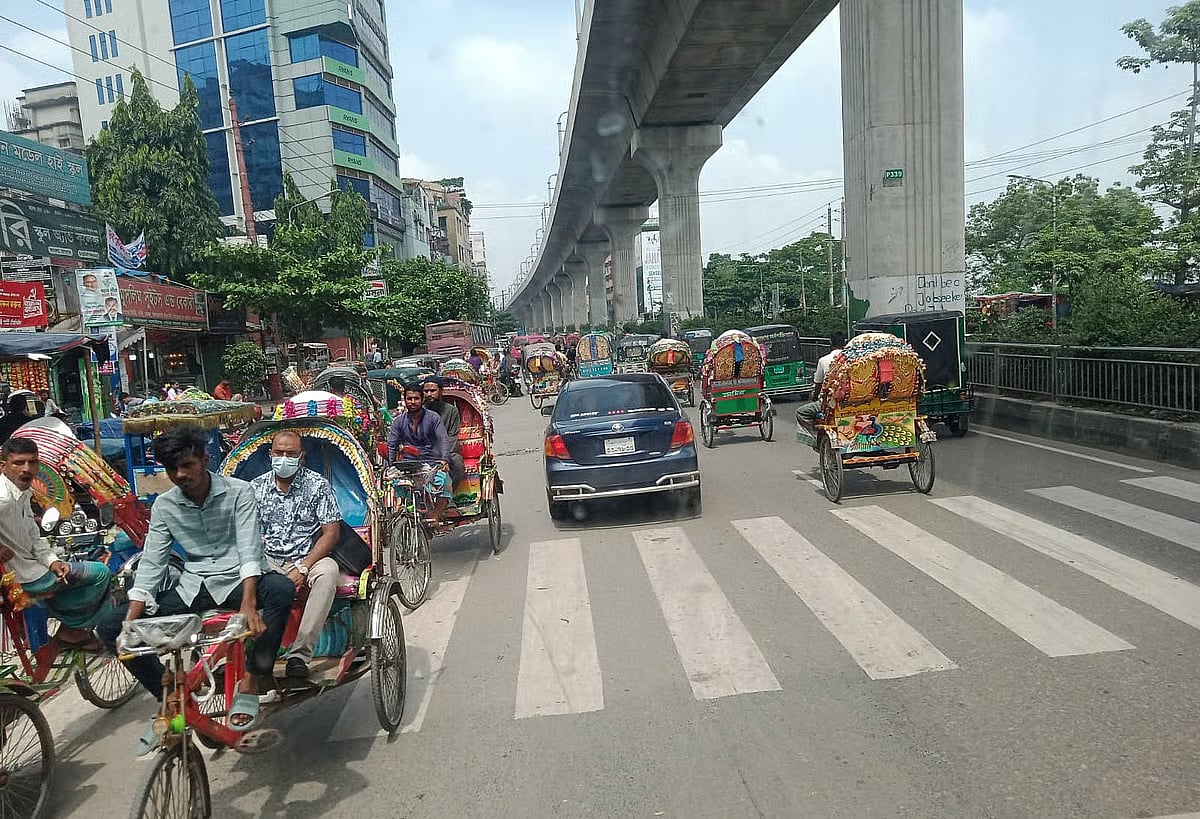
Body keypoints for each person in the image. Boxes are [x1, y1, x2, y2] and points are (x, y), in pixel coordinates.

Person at [96, 426, 295, 751]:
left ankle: (251, 678)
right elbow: (152, 563)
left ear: (205, 460)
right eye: (172, 469)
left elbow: (248, 547)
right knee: (109, 628)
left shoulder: (239, 491)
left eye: (187, 465)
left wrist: (248, 603)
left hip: (241, 579)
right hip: (194, 585)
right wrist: (132, 621)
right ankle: (173, 695)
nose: (180, 474)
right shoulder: (165, 505)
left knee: (283, 590)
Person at [0, 437, 112, 650]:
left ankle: (63, 629)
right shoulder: (3, 497)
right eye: (18, 463)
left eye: (32, 462)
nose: (27, 469)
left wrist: (52, 561)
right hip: (23, 578)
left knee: (68, 574)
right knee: (100, 573)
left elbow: (34, 537)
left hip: (34, 569)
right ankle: (71, 632)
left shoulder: (23, 493)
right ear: (3, 466)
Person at [250, 430, 341, 680]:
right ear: (270, 454)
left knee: (329, 571)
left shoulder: (317, 485)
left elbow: (331, 533)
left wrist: (303, 567)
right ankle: (257, 654)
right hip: (269, 559)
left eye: (290, 454)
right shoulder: (255, 488)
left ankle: (299, 655)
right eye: (279, 453)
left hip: (308, 558)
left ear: (301, 457)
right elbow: (247, 534)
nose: (284, 458)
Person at [387, 382, 453, 524]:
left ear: (422, 399)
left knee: (444, 482)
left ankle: (435, 515)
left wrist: (444, 459)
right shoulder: (398, 422)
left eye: (416, 398)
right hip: (407, 463)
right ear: (404, 400)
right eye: (409, 399)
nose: (412, 402)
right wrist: (390, 464)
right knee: (393, 487)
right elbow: (391, 444)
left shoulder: (433, 418)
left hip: (432, 461)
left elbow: (443, 439)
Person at [795, 332, 848, 435]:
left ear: (830, 343)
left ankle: (815, 435)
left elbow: (818, 384)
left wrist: (814, 397)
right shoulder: (854, 359)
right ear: (845, 343)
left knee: (801, 412)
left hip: (831, 402)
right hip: (853, 400)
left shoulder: (823, 360)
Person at [421, 376, 464, 483]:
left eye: (433, 391)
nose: (429, 394)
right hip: (423, 453)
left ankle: (450, 495)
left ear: (441, 391)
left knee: (457, 462)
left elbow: (452, 437)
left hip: (446, 452)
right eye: (426, 391)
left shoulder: (451, 411)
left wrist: (443, 457)